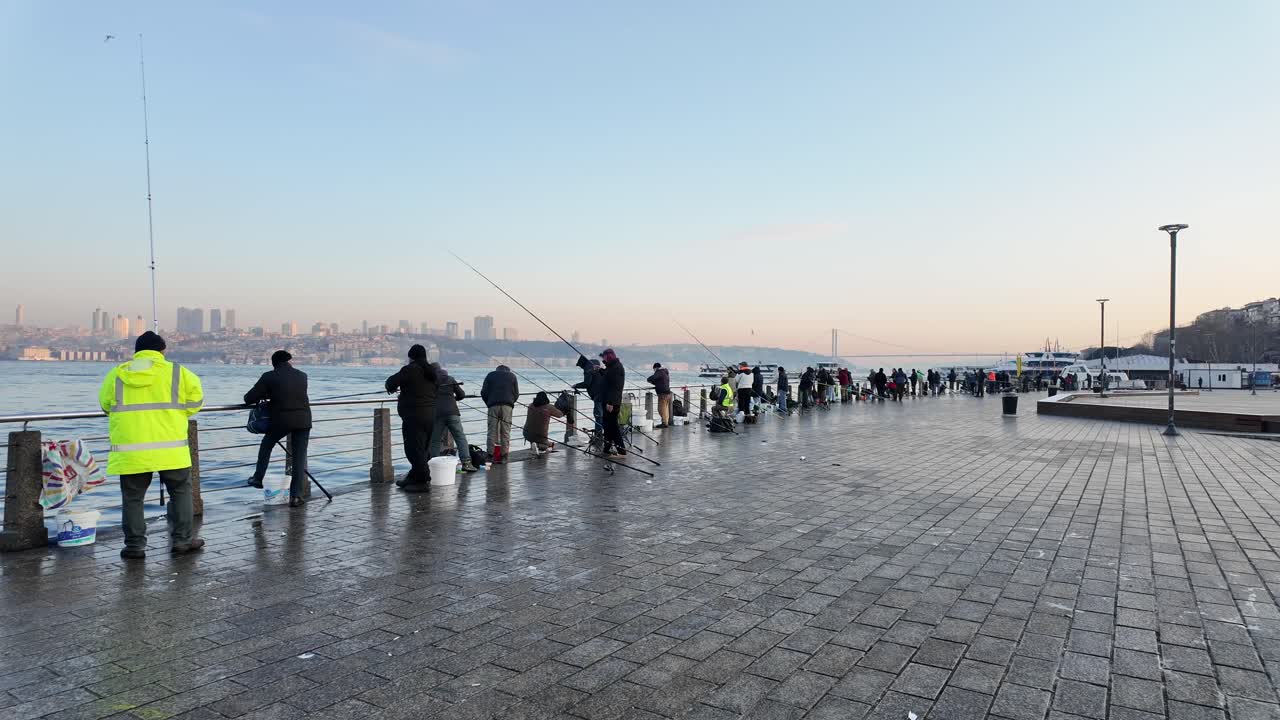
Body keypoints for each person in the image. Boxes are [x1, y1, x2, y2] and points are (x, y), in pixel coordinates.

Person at [99, 331, 204, 559]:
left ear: (136, 352)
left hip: (131, 451)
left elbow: (106, 405)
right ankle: (183, 540)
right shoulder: (177, 372)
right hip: (171, 448)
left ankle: (135, 546)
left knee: (133, 498)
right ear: (162, 351)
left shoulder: (117, 374)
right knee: (180, 492)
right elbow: (195, 403)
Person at [244, 350, 313, 507]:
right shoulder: (302, 376)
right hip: (303, 420)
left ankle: (257, 478)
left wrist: (268, 393)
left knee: (266, 446)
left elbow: (249, 398)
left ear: (274, 364)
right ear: (289, 362)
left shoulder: (269, 376)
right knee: (299, 457)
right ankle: (296, 496)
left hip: (281, 421)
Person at [387, 345, 438, 490]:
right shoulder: (432, 372)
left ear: (411, 357)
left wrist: (392, 388)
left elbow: (391, 382)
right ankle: (413, 477)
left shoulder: (410, 369)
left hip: (414, 416)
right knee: (422, 449)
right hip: (430, 415)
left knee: (413, 450)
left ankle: (422, 481)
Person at [429, 363, 477, 472]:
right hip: (453, 413)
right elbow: (461, 394)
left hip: (437, 414)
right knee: (460, 438)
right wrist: (453, 398)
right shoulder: (450, 379)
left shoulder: (430, 381)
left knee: (434, 441)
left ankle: (434, 465)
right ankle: (467, 463)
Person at [596, 349, 626, 456]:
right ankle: (607, 447)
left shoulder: (617, 368)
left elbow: (615, 387)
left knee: (613, 426)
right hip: (608, 401)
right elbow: (608, 377)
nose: (603, 359)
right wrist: (600, 370)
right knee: (607, 425)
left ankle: (621, 449)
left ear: (608, 357)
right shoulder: (612, 367)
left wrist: (610, 402)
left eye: (604, 357)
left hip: (612, 402)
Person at [573, 358, 605, 434]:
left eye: (580, 366)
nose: (581, 368)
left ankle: (598, 433)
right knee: (603, 414)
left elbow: (587, 383)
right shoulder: (596, 365)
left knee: (598, 414)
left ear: (582, 365)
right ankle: (605, 431)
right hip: (605, 393)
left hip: (598, 395)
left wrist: (576, 385)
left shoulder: (588, 370)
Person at [647, 363, 673, 428]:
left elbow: (652, 378)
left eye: (654, 369)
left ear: (655, 368)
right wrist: (653, 382)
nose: (654, 371)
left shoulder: (659, 372)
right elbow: (660, 381)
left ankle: (664, 423)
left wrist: (648, 380)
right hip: (668, 393)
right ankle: (665, 422)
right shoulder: (664, 372)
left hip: (662, 394)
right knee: (665, 409)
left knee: (661, 409)